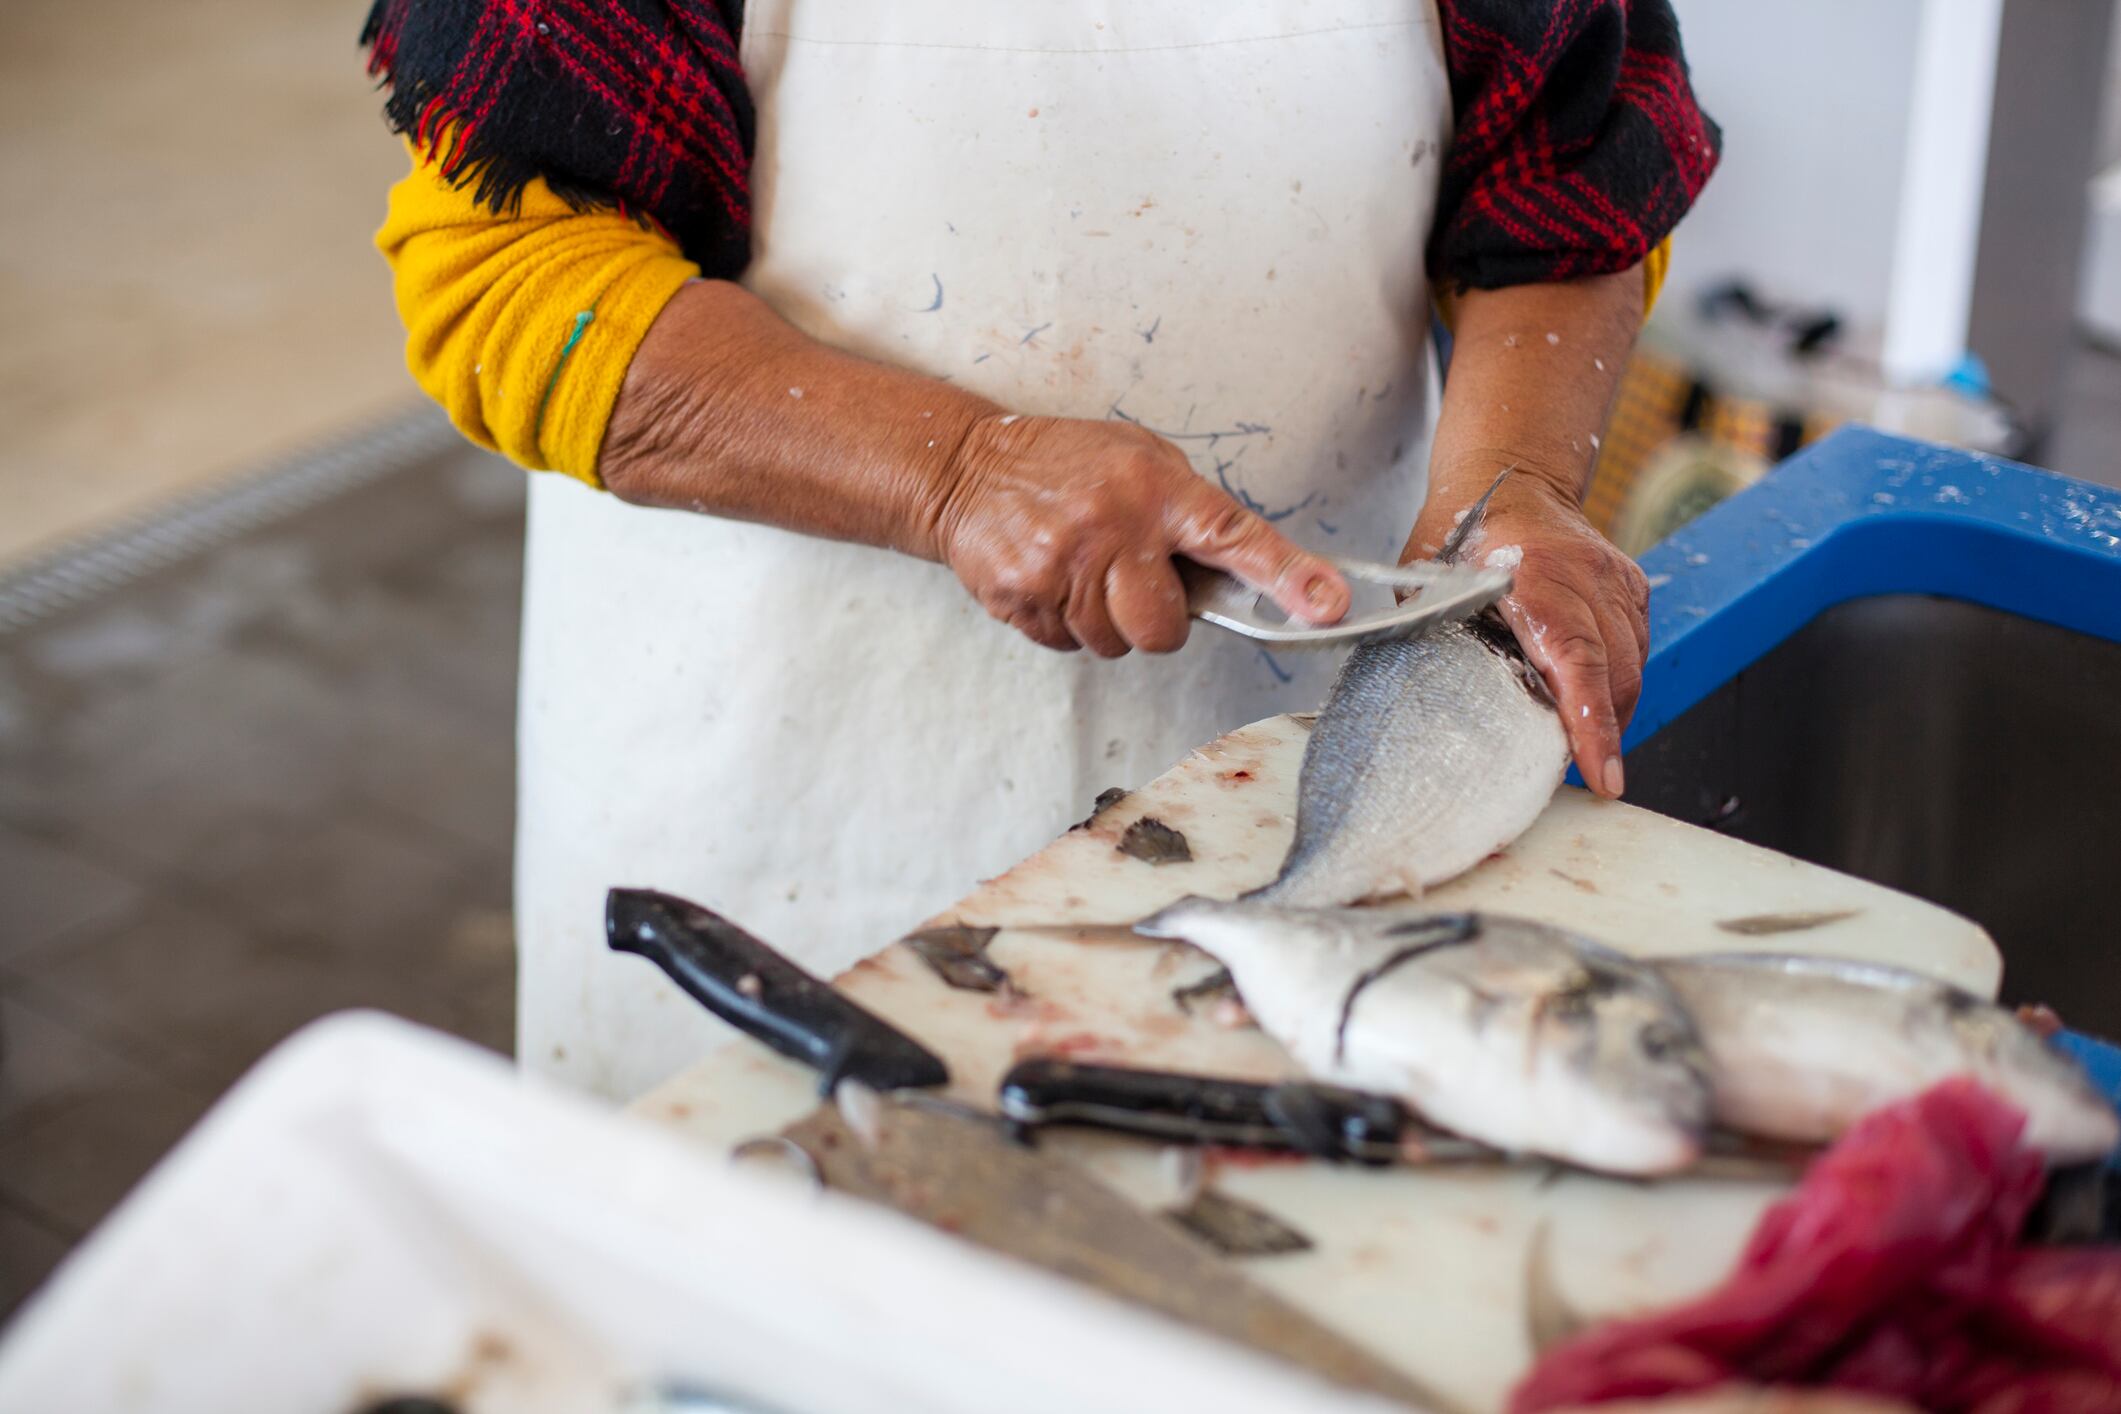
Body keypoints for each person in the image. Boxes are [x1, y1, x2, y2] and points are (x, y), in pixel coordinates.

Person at [363, 0, 1720, 1100]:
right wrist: (952, 470)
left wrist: (1512, 488)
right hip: (771, 830)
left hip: (1289, 780)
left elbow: (1567, 178)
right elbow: (511, 279)